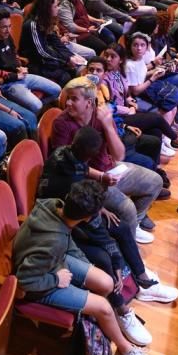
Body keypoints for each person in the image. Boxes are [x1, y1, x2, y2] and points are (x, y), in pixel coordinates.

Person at [12, 180, 159, 355]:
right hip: (38, 283)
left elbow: (67, 241)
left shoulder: (54, 204)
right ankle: (126, 351)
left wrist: (85, 269)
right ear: (89, 217)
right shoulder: (52, 242)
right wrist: (57, 280)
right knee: (104, 308)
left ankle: (107, 323)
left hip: (52, 261)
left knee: (105, 281)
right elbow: (24, 281)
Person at [38, 126, 178, 306]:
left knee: (121, 226)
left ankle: (141, 278)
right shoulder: (71, 185)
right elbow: (103, 238)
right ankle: (121, 307)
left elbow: (82, 170)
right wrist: (118, 264)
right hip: (60, 225)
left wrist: (101, 187)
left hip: (73, 211)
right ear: (89, 154)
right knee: (104, 256)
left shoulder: (63, 153)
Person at [51, 77, 163, 243]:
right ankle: (129, 247)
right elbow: (67, 164)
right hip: (88, 181)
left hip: (111, 169)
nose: (67, 103)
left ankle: (135, 225)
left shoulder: (101, 115)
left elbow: (119, 155)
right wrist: (101, 177)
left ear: (89, 102)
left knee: (155, 181)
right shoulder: (62, 123)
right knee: (127, 208)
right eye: (67, 98)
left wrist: (108, 126)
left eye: (73, 99)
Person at [0, 10, 61, 113]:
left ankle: (35, 110)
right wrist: (15, 76)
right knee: (37, 105)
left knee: (57, 90)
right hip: (7, 83)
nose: (8, 30)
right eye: (4, 27)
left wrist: (19, 66)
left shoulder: (7, 37)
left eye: (9, 26)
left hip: (21, 75)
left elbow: (14, 54)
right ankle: (34, 111)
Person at [20, 0, 84, 87]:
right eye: (55, 6)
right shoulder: (32, 25)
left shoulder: (46, 21)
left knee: (75, 68)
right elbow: (41, 51)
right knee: (66, 75)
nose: (59, 8)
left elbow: (57, 43)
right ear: (46, 9)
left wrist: (70, 56)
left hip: (46, 58)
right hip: (35, 62)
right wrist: (65, 61)